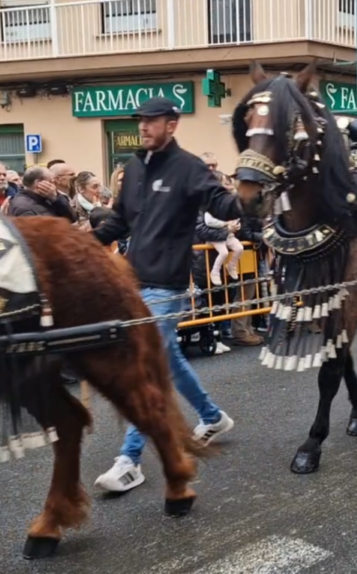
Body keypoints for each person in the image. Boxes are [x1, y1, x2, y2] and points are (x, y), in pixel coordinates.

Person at [91, 96, 240, 492]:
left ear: (171, 124)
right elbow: (120, 221)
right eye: (140, 120)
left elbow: (223, 203)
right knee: (168, 358)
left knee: (146, 367)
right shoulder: (136, 167)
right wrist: (84, 244)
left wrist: (250, 192)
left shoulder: (189, 167)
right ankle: (211, 416)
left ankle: (130, 460)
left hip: (168, 286)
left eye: (151, 121)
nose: (143, 126)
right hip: (135, 281)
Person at [6, 166, 77, 221]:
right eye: (51, 182)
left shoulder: (47, 197)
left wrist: (56, 199)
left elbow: (71, 218)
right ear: (38, 183)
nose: (53, 186)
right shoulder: (23, 206)